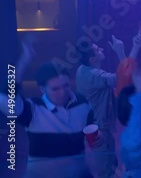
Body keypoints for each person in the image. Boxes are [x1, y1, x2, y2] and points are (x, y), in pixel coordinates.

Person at [0, 39, 104, 178]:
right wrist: (24, 61)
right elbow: (5, 99)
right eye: (55, 89)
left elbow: (91, 130)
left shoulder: (82, 103)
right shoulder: (32, 109)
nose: (63, 92)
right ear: (42, 89)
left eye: (66, 85)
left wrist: (98, 137)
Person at [76, 33, 141, 178]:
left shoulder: (82, 69)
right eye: (97, 50)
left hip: (96, 125)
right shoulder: (94, 75)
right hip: (100, 129)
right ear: (92, 59)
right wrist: (121, 51)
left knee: (110, 165)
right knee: (105, 171)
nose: (101, 48)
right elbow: (124, 77)